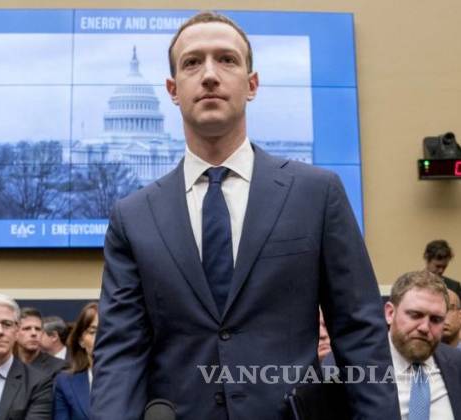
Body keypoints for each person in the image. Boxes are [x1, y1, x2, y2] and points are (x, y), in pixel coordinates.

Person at [91, 11, 399, 420]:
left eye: (227, 59)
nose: (210, 75)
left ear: (252, 85)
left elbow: (360, 333)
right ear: (173, 90)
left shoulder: (316, 193)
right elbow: (121, 353)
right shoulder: (133, 217)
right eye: (192, 62)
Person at [385, 270, 461, 418]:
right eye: (415, 315)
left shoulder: (457, 364)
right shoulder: (355, 367)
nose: (425, 328)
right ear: (390, 313)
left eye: (436, 319)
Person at [53, 302, 98, 420]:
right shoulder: (65, 382)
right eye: (93, 332)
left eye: (106, 331)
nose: (100, 337)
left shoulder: (131, 379)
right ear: (81, 340)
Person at [16, 307, 68, 378]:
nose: (34, 333)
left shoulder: (59, 367)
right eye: (27, 328)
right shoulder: (8, 364)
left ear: (42, 333)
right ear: (15, 333)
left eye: (38, 329)